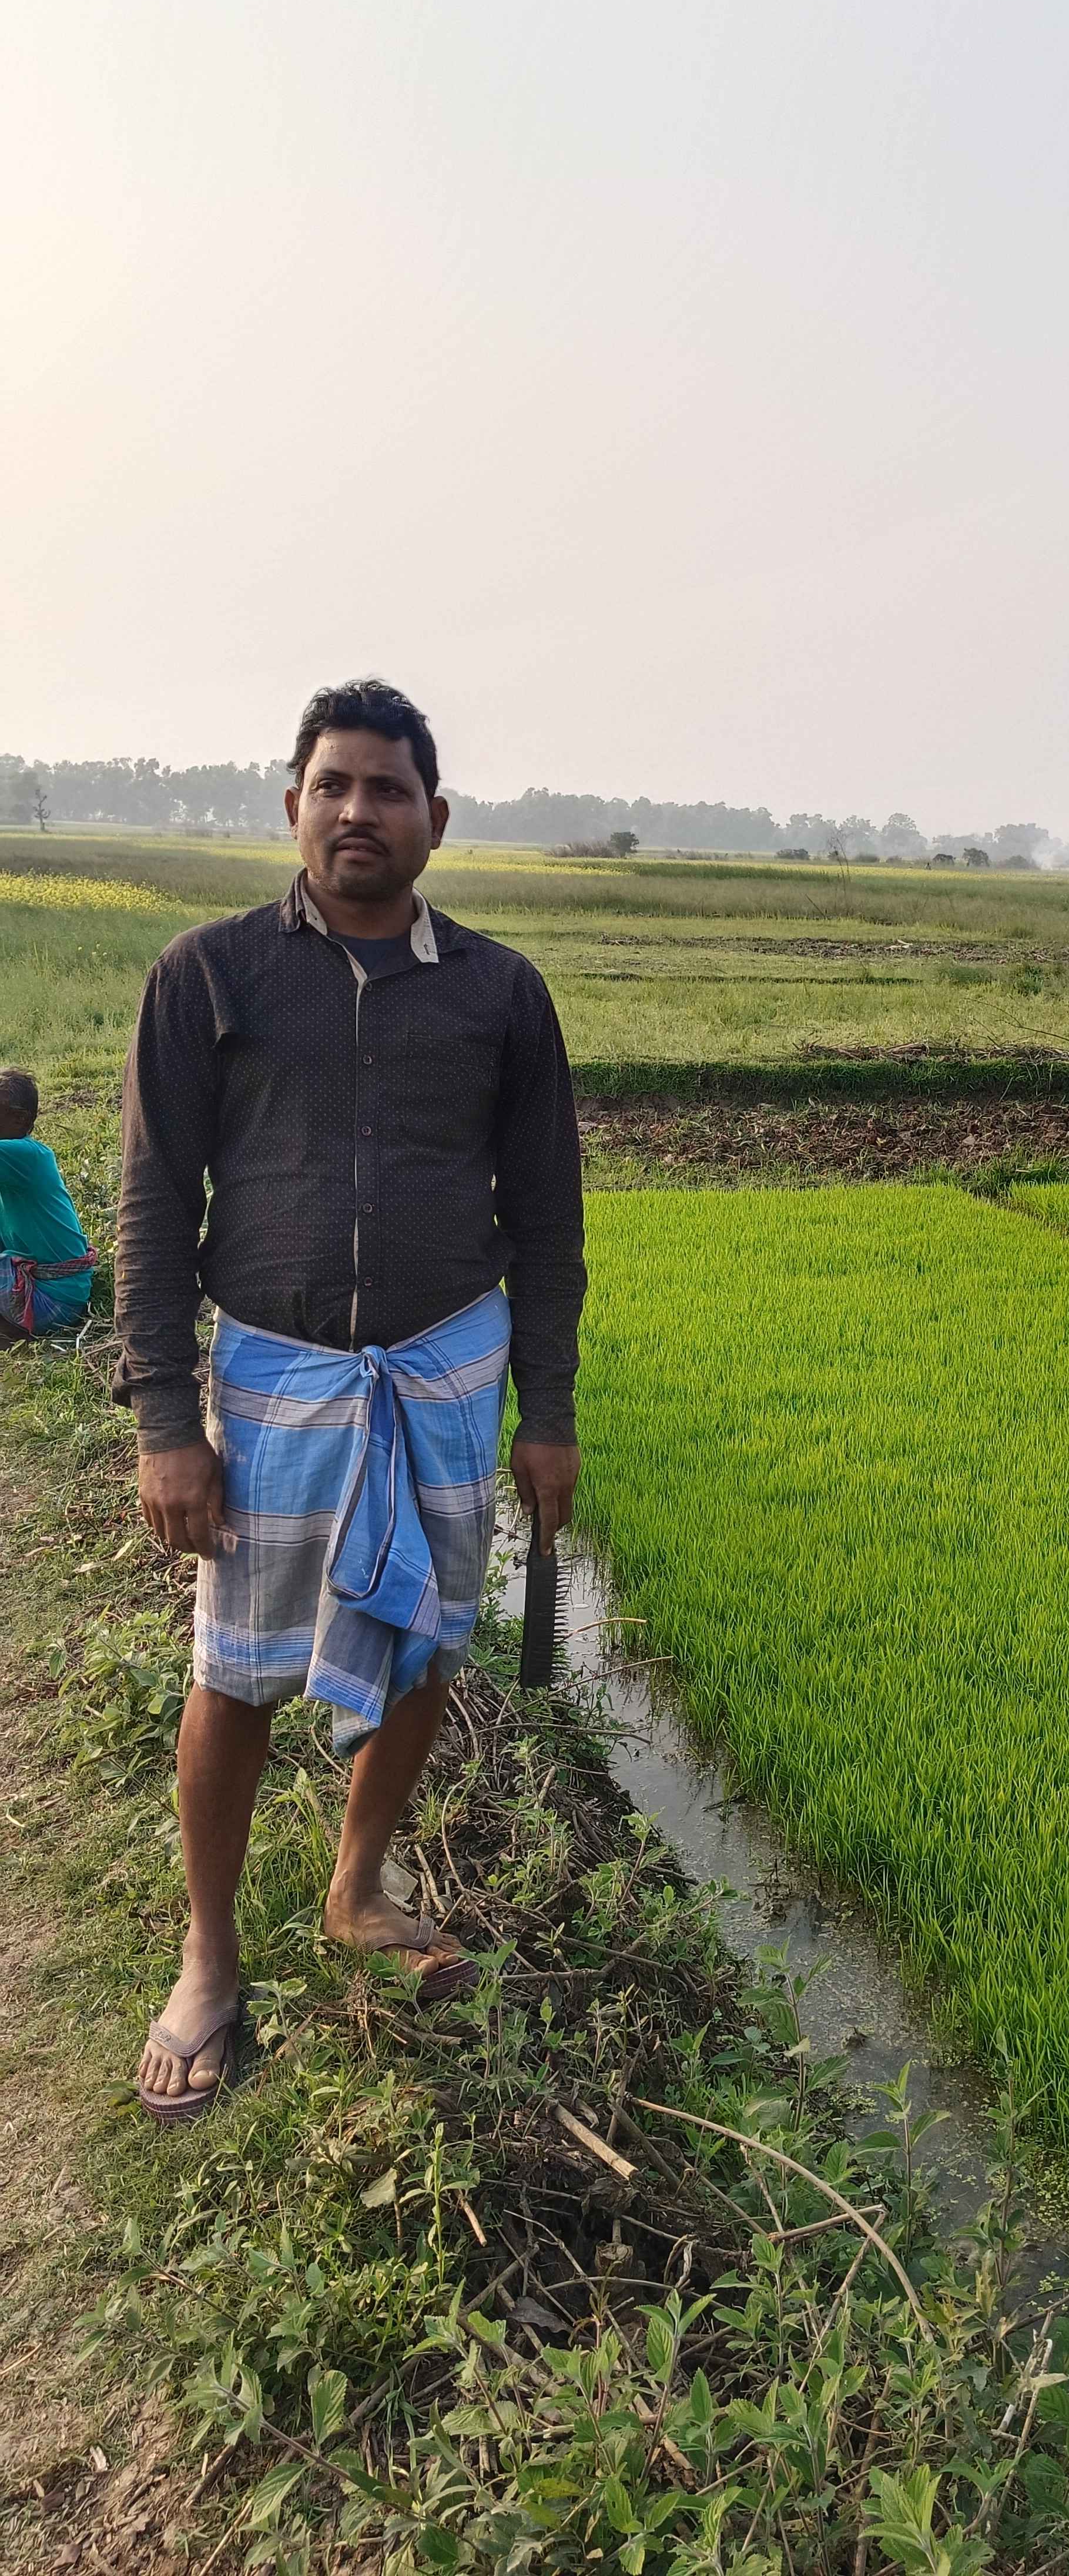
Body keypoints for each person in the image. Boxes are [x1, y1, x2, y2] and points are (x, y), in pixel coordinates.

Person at [113, 679, 585, 2123]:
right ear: (293, 807)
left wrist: (548, 1412)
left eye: (387, 789)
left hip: (445, 1370)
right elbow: (153, 1201)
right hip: (278, 1379)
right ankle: (209, 1955)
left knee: (421, 1641)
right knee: (234, 1671)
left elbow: (547, 1216)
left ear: (436, 818)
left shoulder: (501, 993)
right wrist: (165, 1422)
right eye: (334, 785)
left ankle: (357, 1883)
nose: (358, 811)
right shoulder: (209, 975)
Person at [0, 1068, 96, 1344]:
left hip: (54, 1299)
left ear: (19, 1119)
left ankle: (12, 1331)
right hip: (50, 1289)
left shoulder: (23, 1156)